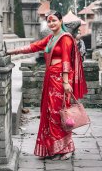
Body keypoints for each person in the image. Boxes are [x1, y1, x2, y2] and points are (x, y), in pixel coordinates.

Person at [7, 10, 87, 160]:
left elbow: (65, 61)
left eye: (54, 20)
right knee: (50, 112)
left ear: (61, 21)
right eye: (49, 21)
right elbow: (34, 46)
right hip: (50, 78)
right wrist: (12, 51)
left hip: (61, 80)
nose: (51, 24)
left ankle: (66, 148)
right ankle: (53, 148)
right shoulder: (51, 38)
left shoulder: (65, 38)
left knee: (60, 113)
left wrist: (65, 82)